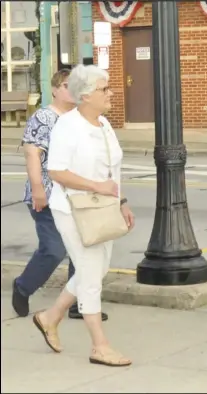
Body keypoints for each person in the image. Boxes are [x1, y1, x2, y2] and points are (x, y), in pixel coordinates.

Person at [32, 64, 134, 366]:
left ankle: (50, 317)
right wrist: (96, 186)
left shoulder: (103, 124)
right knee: (89, 275)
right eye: (105, 88)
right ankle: (99, 346)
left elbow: (112, 170)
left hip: (103, 208)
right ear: (86, 95)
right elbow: (56, 170)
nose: (111, 92)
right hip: (74, 209)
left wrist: (121, 201)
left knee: (98, 270)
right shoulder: (67, 125)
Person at [12, 69, 108, 322]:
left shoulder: (80, 117)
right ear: (54, 89)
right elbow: (33, 154)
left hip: (77, 195)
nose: (71, 90)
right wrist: (37, 189)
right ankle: (23, 286)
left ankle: (80, 304)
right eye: (66, 85)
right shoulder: (44, 117)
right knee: (54, 250)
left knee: (84, 248)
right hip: (48, 194)